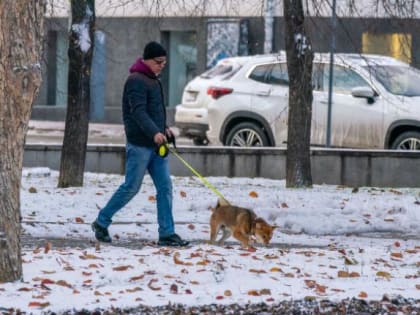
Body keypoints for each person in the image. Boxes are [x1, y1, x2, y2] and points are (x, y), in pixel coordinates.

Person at [91, 41, 189, 247]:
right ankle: (101, 221)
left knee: (165, 187)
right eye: (159, 62)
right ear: (147, 60)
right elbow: (138, 111)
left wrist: (164, 129)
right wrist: (154, 132)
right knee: (131, 187)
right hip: (140, 146)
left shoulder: (153, 80)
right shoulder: (136, 80)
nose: (162, 65)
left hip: (155, 145)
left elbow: (153, 112)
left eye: (165, 62)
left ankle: (167, 233)